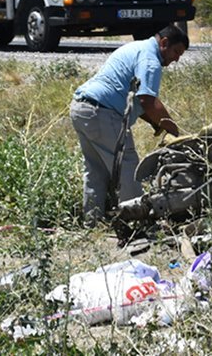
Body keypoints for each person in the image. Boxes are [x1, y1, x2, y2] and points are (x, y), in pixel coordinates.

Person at [70, 24, 188, 223]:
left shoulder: (136, 47)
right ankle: (134, 223)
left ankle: (93, 222)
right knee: (129, 167)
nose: (176, 59)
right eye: (176, 52)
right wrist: (174, 131)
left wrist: (154, 122)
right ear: (164, 43)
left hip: (81, 109)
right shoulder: (150, 60)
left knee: (95, 169)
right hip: (102, 113)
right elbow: (147, 100)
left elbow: (132, 98)